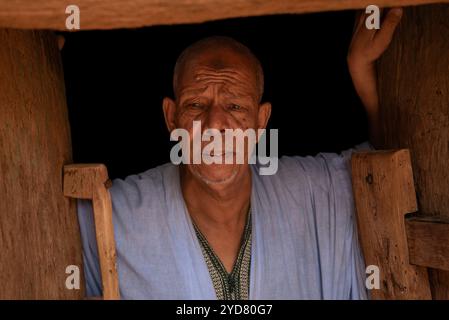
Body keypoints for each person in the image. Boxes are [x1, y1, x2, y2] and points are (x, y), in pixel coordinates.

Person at [77, 8, 403, 299]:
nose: (216, 124)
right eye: (196, 105)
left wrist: (362, 73)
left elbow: (378, 174)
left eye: (235, 107)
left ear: (261, 122)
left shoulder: (310, 193)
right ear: (171, 117)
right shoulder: (116, 216)